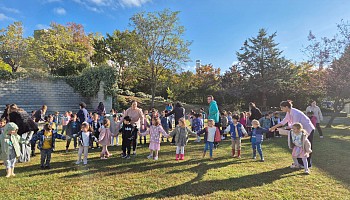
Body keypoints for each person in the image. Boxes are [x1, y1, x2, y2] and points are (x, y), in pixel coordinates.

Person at [270, 100, 315, 167]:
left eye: (282, 107)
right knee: (298, 145)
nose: (281, 109)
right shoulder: (289, 112)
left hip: (308, 129)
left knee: (305, 146)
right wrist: (274, 127)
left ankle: (307, 164)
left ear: (286, 107)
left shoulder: (295, 113)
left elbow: (295, 125)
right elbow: (284, 121)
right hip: (299, 130)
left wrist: (285, 128)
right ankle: (299, 163)